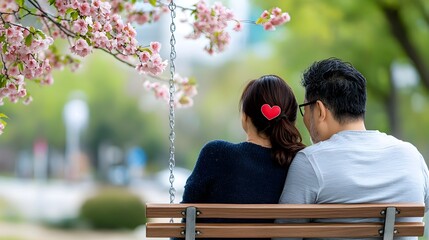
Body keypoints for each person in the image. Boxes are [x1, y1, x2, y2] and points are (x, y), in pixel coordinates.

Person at [275, 58, 429, 240]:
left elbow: (285, 236)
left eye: (305, 109)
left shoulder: (310, 162)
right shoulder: (410, 155)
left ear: (319, 110)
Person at [180, 74, 305, 240]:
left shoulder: (216, 153)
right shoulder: (300, 164)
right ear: (290, 121)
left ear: (245, 117)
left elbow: (186, 218)